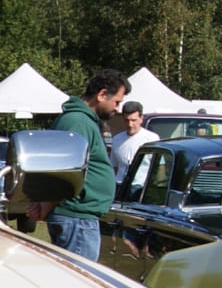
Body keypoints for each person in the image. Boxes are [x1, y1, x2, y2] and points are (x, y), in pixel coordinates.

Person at [26, 68, 129, 260]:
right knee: (77, 285)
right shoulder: (77, 122)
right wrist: (46, 204)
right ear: (102, 94)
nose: (117, 108)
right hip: (76, 220)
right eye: (117, 102)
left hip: (79, 219)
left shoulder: (82, 121)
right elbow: (65, 171)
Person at [109, 100, 157, 182]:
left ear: (141, 118)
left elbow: (158, 168)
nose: (130, 124)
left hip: (141, 187)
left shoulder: (151, 139)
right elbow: (114, 166)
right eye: (127, 120)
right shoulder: (117, 139)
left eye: (133, 120)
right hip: (120, 185)